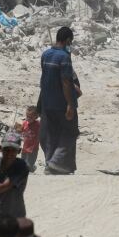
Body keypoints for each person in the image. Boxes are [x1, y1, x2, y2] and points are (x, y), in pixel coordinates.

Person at [39, 27, 78, 175]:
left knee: (52, 133)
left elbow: (44, 79)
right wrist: (70, 104)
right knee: (71, 132)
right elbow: (66, 82)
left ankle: (49, 165)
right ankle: (56, 161)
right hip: (61, 103)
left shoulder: (45, 54)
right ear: (68, 40)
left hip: (47, 102)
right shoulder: (64, 57)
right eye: (71, 41)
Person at [15, 105, 41, 172]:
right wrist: (17, 128)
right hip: (25, 149)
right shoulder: (24, 123)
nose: (28, 118)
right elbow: (20, 131)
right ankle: (30, 168)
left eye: (31, 117)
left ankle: (31, 167)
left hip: (33, 150)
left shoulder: (38, 124)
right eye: (27, 117)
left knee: (29, 165)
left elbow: (42, 133)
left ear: (36, 117)